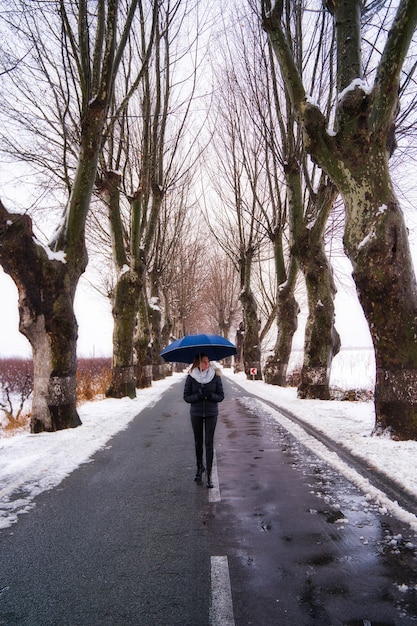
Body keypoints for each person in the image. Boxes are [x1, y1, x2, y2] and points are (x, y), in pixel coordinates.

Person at [183, 353, 224, 488]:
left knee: (208, 442)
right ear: (198, 363)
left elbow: (221, 396)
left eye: (208, 362)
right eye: (204, 362)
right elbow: (187, 397)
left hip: (211, 413)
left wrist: (210, 395)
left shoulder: (215, 377)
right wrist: (198, 395)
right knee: (198, 442)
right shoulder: (191, 377)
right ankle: (199, 468)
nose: (206, 364)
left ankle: (209, 475)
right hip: (196, 413)